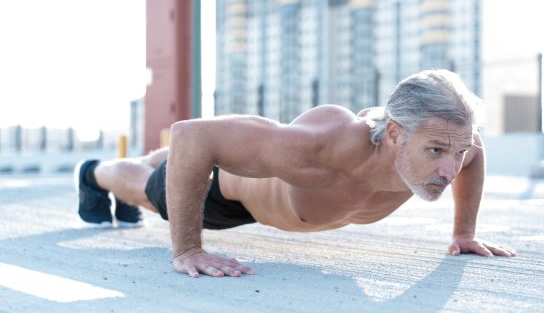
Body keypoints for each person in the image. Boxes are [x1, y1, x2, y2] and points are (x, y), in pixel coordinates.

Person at [74, 69, 515, 278]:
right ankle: (95, 174)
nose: (449, 168)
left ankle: (153, 163)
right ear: (395, 133)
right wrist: (187, 249)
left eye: (457, 151)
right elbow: (191, 136)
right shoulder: (322, 146)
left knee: (167, 161)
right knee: (143, 186)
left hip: (268, 179)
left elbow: (474, 155)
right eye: (437, 150)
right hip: (223, 197)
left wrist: (463, 232)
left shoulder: (453, 145)